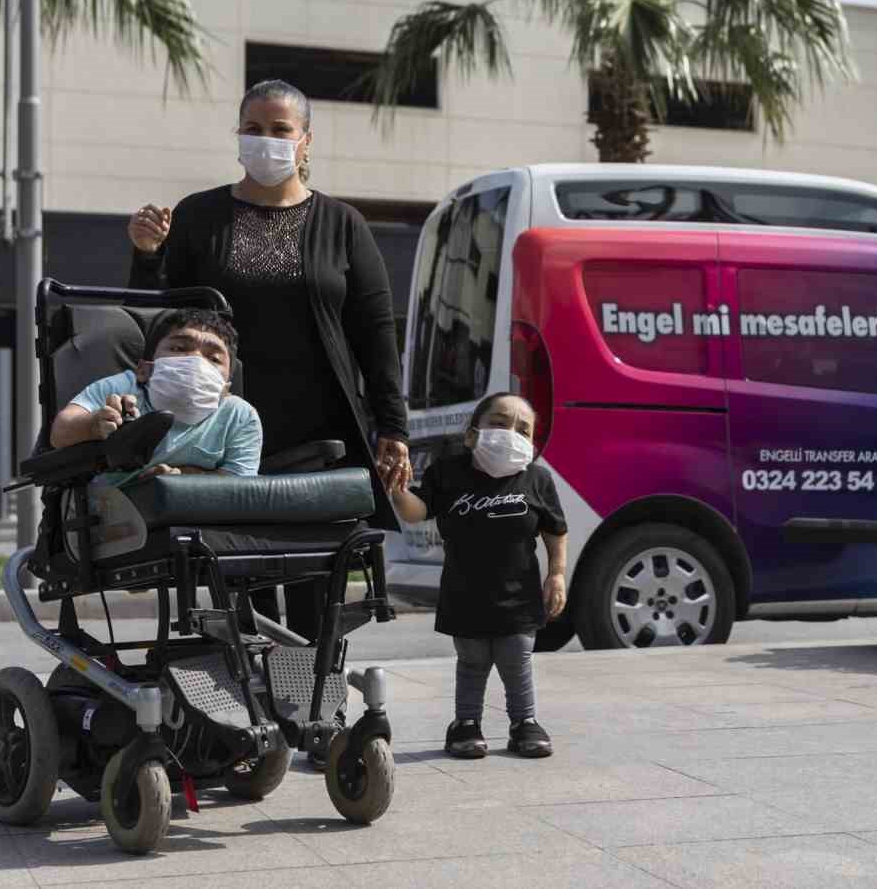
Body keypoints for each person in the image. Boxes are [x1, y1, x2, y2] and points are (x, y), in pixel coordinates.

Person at [126, 79, 409, 644]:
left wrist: (393, 428)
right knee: (236, 583)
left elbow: (375, 333)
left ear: (306, 141)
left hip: (320, 434)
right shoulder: (199, 216)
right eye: (253, 129)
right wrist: (145, 255)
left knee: (316, 586)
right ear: (237, 136)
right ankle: (247, 697)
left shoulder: (343, 225)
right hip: (221, 431)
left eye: (281, 130)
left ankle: (314, 692)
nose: (267, 140)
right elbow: (159, 321)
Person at [387, 393, 567, 759]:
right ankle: (466, 725)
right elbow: (417, 511)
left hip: (519, 596)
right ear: (472, 435)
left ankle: (525, 723)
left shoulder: (537, 479)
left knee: (516, 659)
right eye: (499, 423)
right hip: (464, 594)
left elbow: (555, 529)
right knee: (472, 661)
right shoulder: (447, 473)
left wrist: (557, 574)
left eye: (523, 430)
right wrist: (397, 491)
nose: (511, 433)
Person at [50, 309, 262, 480]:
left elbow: (239, 485)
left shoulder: (240, 416)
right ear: (144, 370)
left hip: (197, 516)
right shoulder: (120, 389)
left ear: (226, 389)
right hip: (106, 510)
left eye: (214, 359)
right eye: (179, 348)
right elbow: (59, 434)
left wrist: (183, 477)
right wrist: (93, 425)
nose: (196, 360)